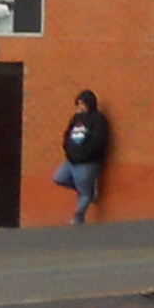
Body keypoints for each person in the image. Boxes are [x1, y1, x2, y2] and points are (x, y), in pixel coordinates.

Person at [52, 88, 112, 224]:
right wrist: (68, 150)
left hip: (87, 162)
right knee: (59, 178)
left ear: (89, 104)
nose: (79, 107)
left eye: (82, 104)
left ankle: (78, 217)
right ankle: (89, 191)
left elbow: (98, 141)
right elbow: (67, 135)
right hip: (71, 161)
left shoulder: (98, 119)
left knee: (84, 193)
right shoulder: (76, 118)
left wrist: (85, 154)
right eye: (78, 104)